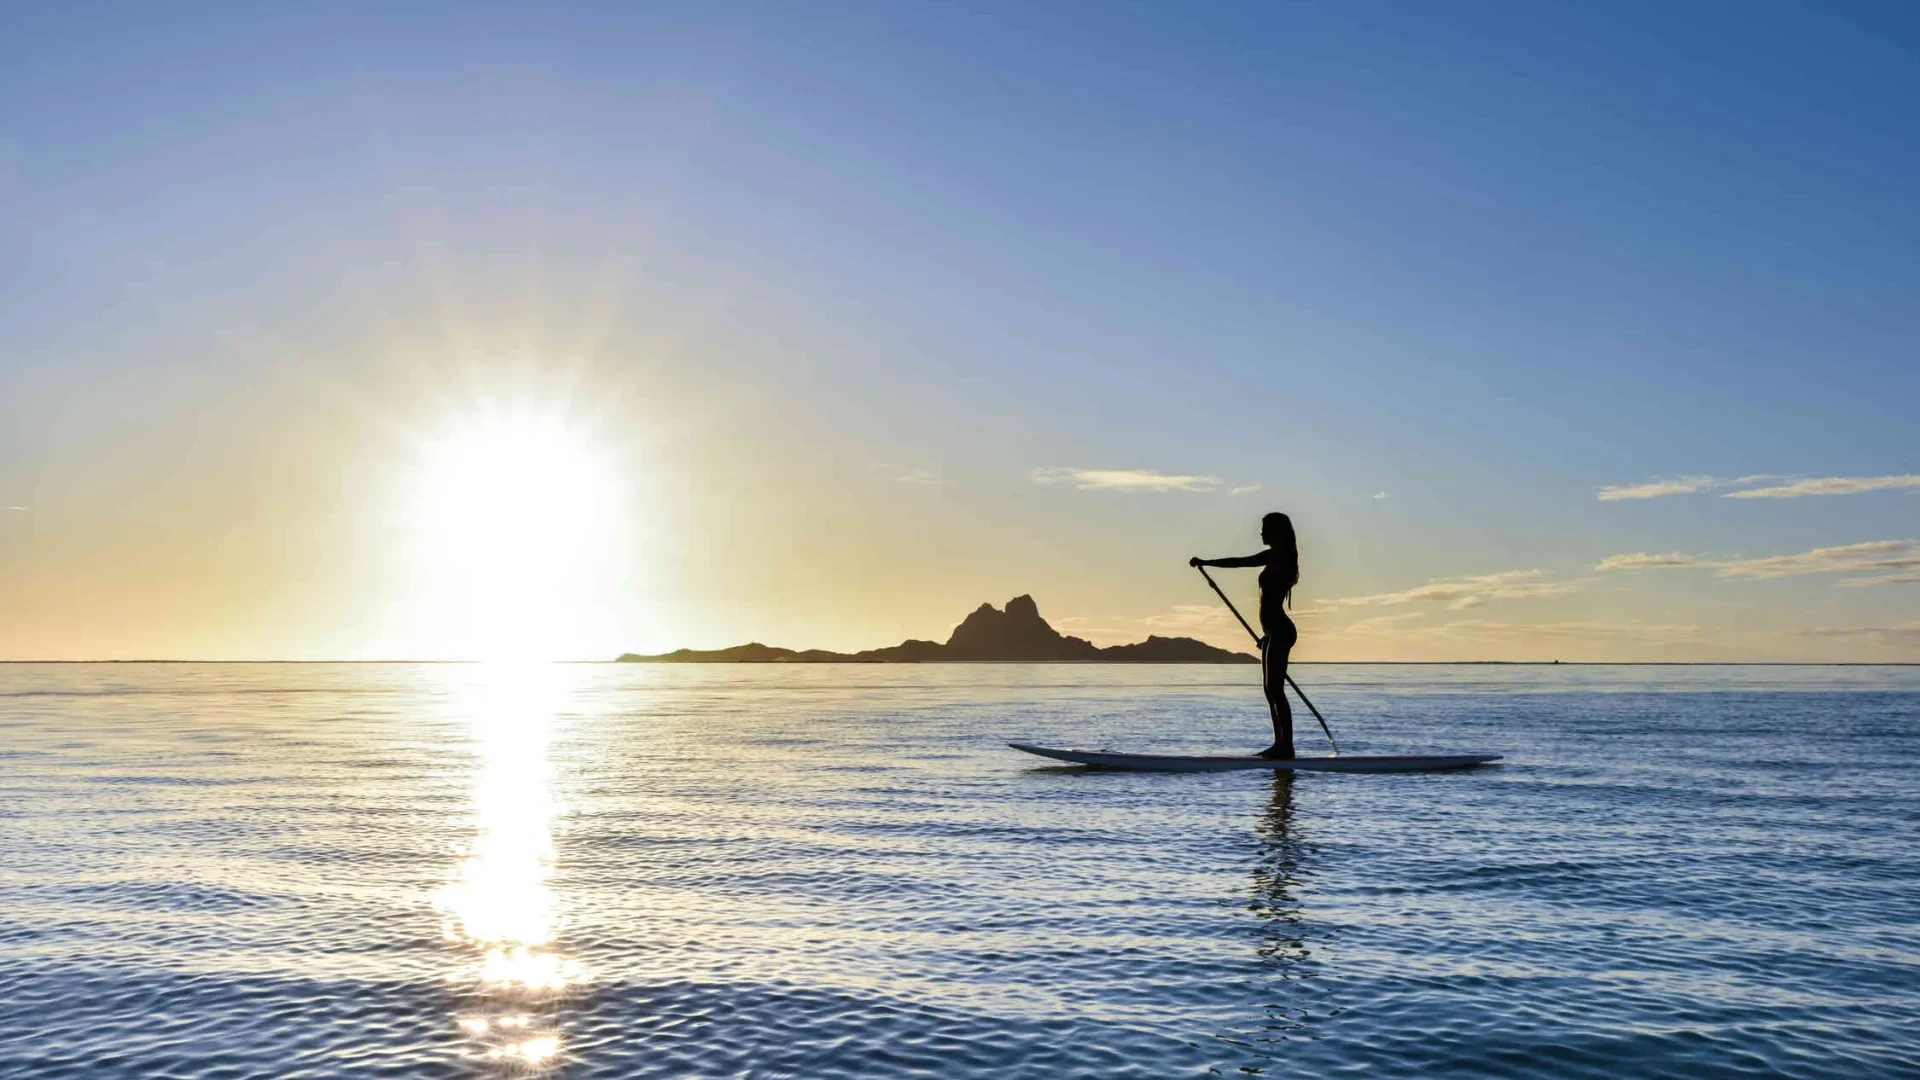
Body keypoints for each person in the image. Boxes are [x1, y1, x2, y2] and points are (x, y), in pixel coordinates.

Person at [1191, 512, 1299, 759]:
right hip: (1272, 633)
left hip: (1281, 631)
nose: (1260, 533)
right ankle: (1279, 745)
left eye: (1264, 529)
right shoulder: (1278, 557)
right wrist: (1266, 636)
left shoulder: (1278, 556)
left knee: (1276, 689)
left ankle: (1286, 748)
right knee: (1269, 690)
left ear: (1276, 532)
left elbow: (1239, 562)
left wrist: (1206, 562)